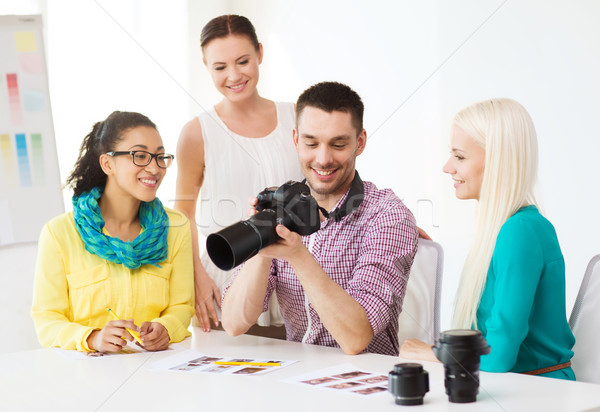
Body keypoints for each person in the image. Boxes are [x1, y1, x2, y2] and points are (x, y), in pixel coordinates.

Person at [221, 81, 418, 356]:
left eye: (338, 144)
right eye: (311, 143)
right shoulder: (282, 207)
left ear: (359, 142)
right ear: (295, 140)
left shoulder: (387, 216)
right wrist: (261, 250)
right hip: (300, 379)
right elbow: (232, 323)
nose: (323, 159)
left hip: (367, 381)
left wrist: (298, 255)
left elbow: (355, 338)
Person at [400, 98, 575, 380]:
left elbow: (499, 357)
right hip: (517, 387)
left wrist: (433, 352)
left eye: (459, 156)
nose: (447, 167)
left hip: (538, 393)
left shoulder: (519, 232)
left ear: (497, 161)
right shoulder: (511, 228)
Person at [174, 14, 303, 333]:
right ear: (206, 67)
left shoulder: (298, 116)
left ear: (260, 53)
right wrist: (197, 278)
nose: (233, 75)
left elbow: (334, 183)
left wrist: (393, 220)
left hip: (296, 280)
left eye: (243, 61)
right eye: (219, 67)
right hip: (225, 282)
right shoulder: (196, 133)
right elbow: (183, 215)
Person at [31, 111, 194, 352]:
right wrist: (92, 338)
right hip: (85, 378)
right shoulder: (59, 233)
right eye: (140, 156)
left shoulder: (176, 228)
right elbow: (46, 320)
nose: (154, 168)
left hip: (157, 372)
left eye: (160, 157)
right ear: (107, 163)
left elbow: (182, 306)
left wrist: (166, 327)